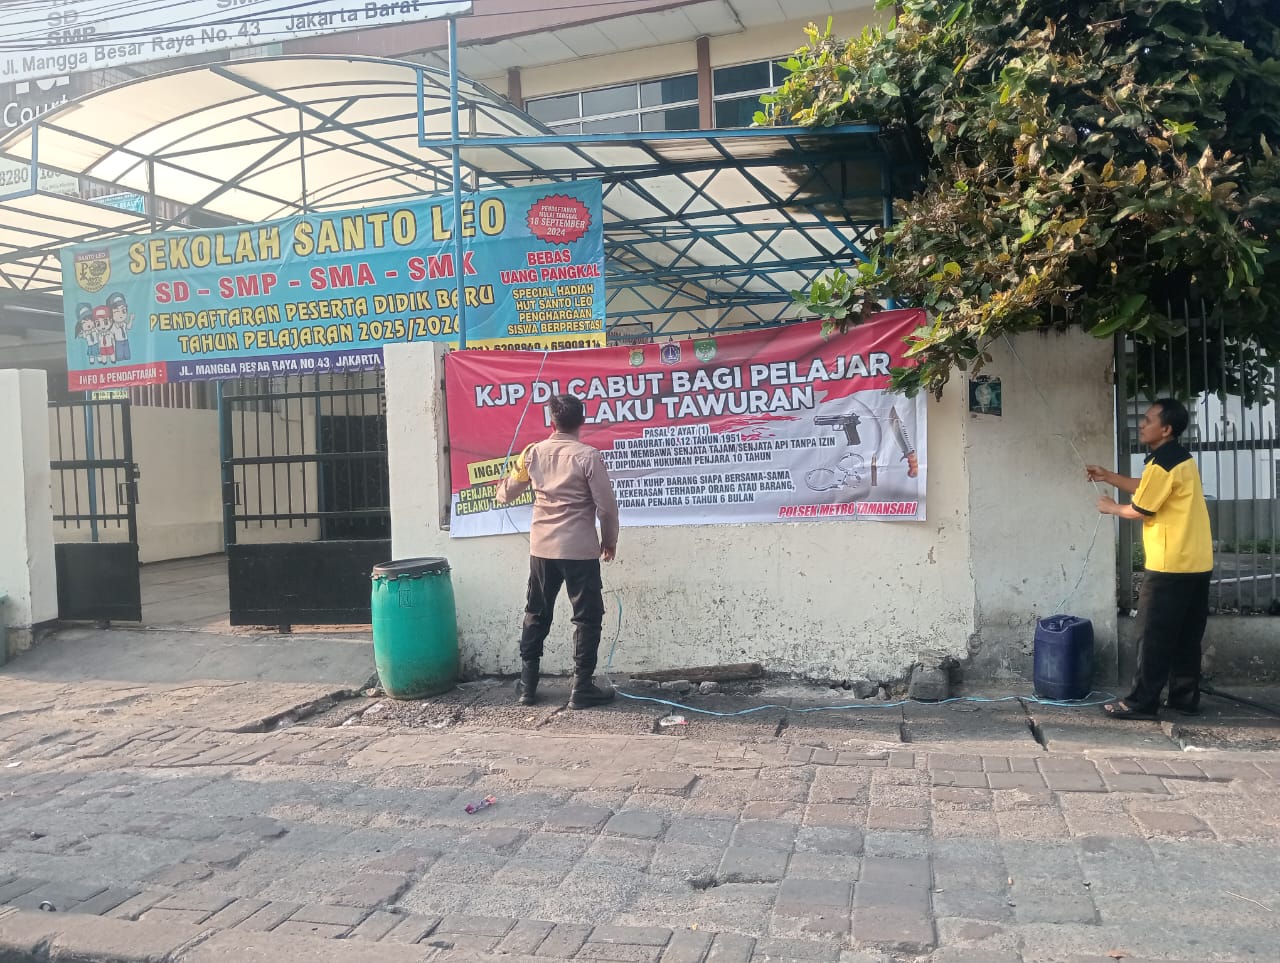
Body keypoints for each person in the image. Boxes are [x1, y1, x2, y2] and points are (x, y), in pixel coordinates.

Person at [1087, 398, 1213, 720]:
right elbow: (1146, 488)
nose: (1141, 424)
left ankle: (1140, 702)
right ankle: (1185, 698)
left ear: (1166, 429)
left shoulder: (1162, 464)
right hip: (1197, 562)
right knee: (1186, 636)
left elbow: (1141, 508)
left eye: (1148, 420)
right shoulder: (1179, 459)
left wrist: (1111, 508)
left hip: (1169, 565)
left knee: (1153, 636)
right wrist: (1108, 476)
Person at [495, 394, 620, 709]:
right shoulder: (588, 456)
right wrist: (609, 541)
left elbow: (506, 494)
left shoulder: (532, 453)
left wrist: (501, 487)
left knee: (536, 612)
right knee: (587, 618)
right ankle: (582, 688)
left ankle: (527, 686)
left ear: (551, 422)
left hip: (542, 549)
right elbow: (607, 508)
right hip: (579, 550)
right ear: (582, 421)